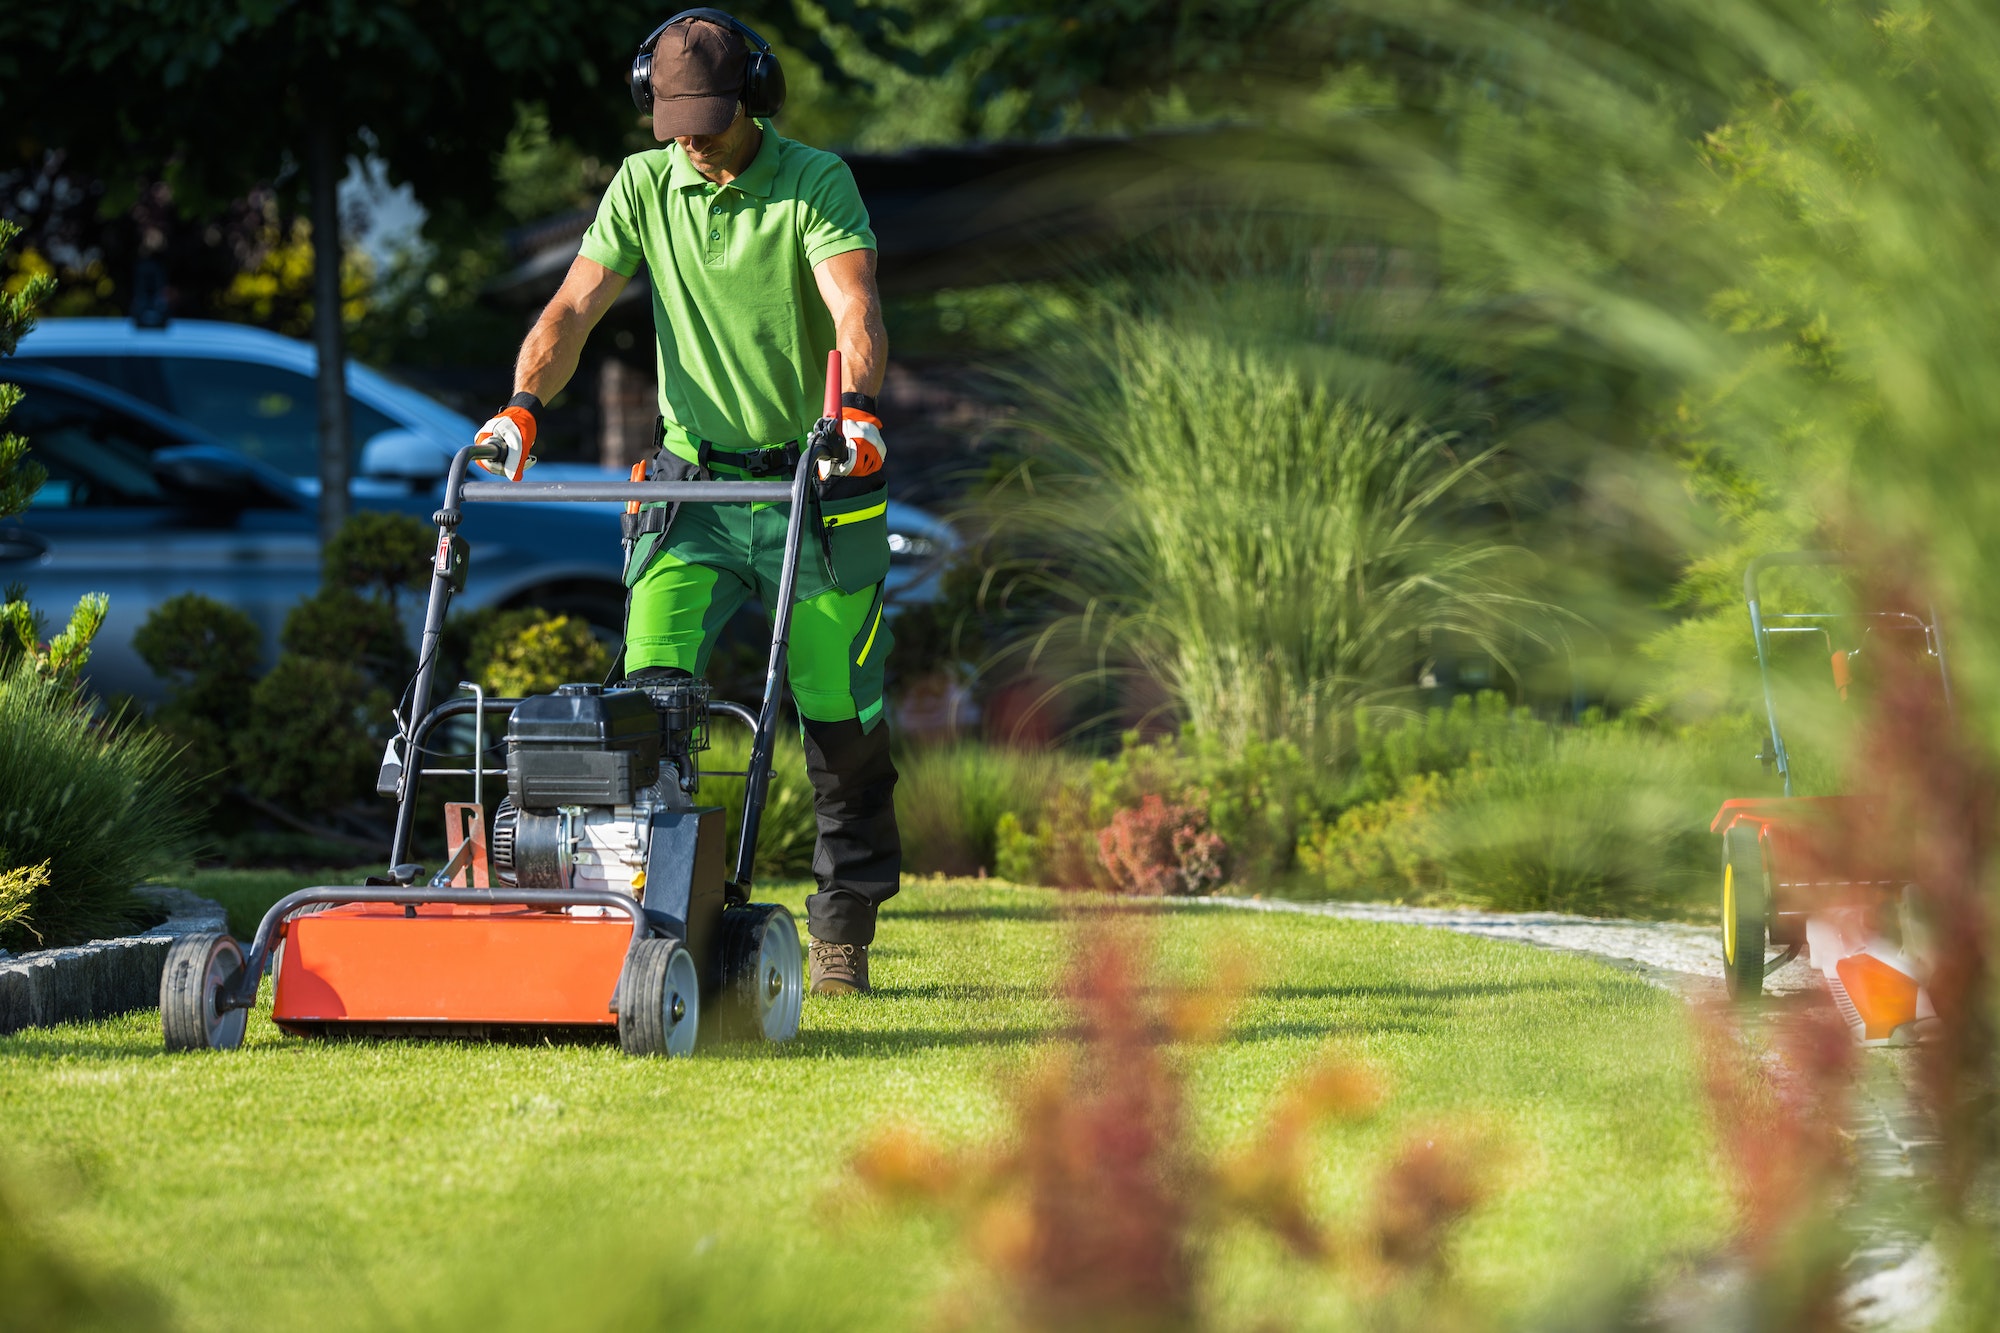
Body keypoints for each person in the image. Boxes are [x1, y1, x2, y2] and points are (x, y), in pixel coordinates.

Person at [473, 9, 898, 996]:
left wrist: (862, 411)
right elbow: (573, 306)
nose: (694, 140)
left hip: (816, 478)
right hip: (691, 484)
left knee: (840, 715)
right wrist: (522, 406)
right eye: (676, 122)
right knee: (646, 703)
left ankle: (841, 931)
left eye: (709, 118)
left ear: (755, 95)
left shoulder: (813, 181)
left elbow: (853, 303)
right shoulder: (642, 183)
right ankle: (650, 914)